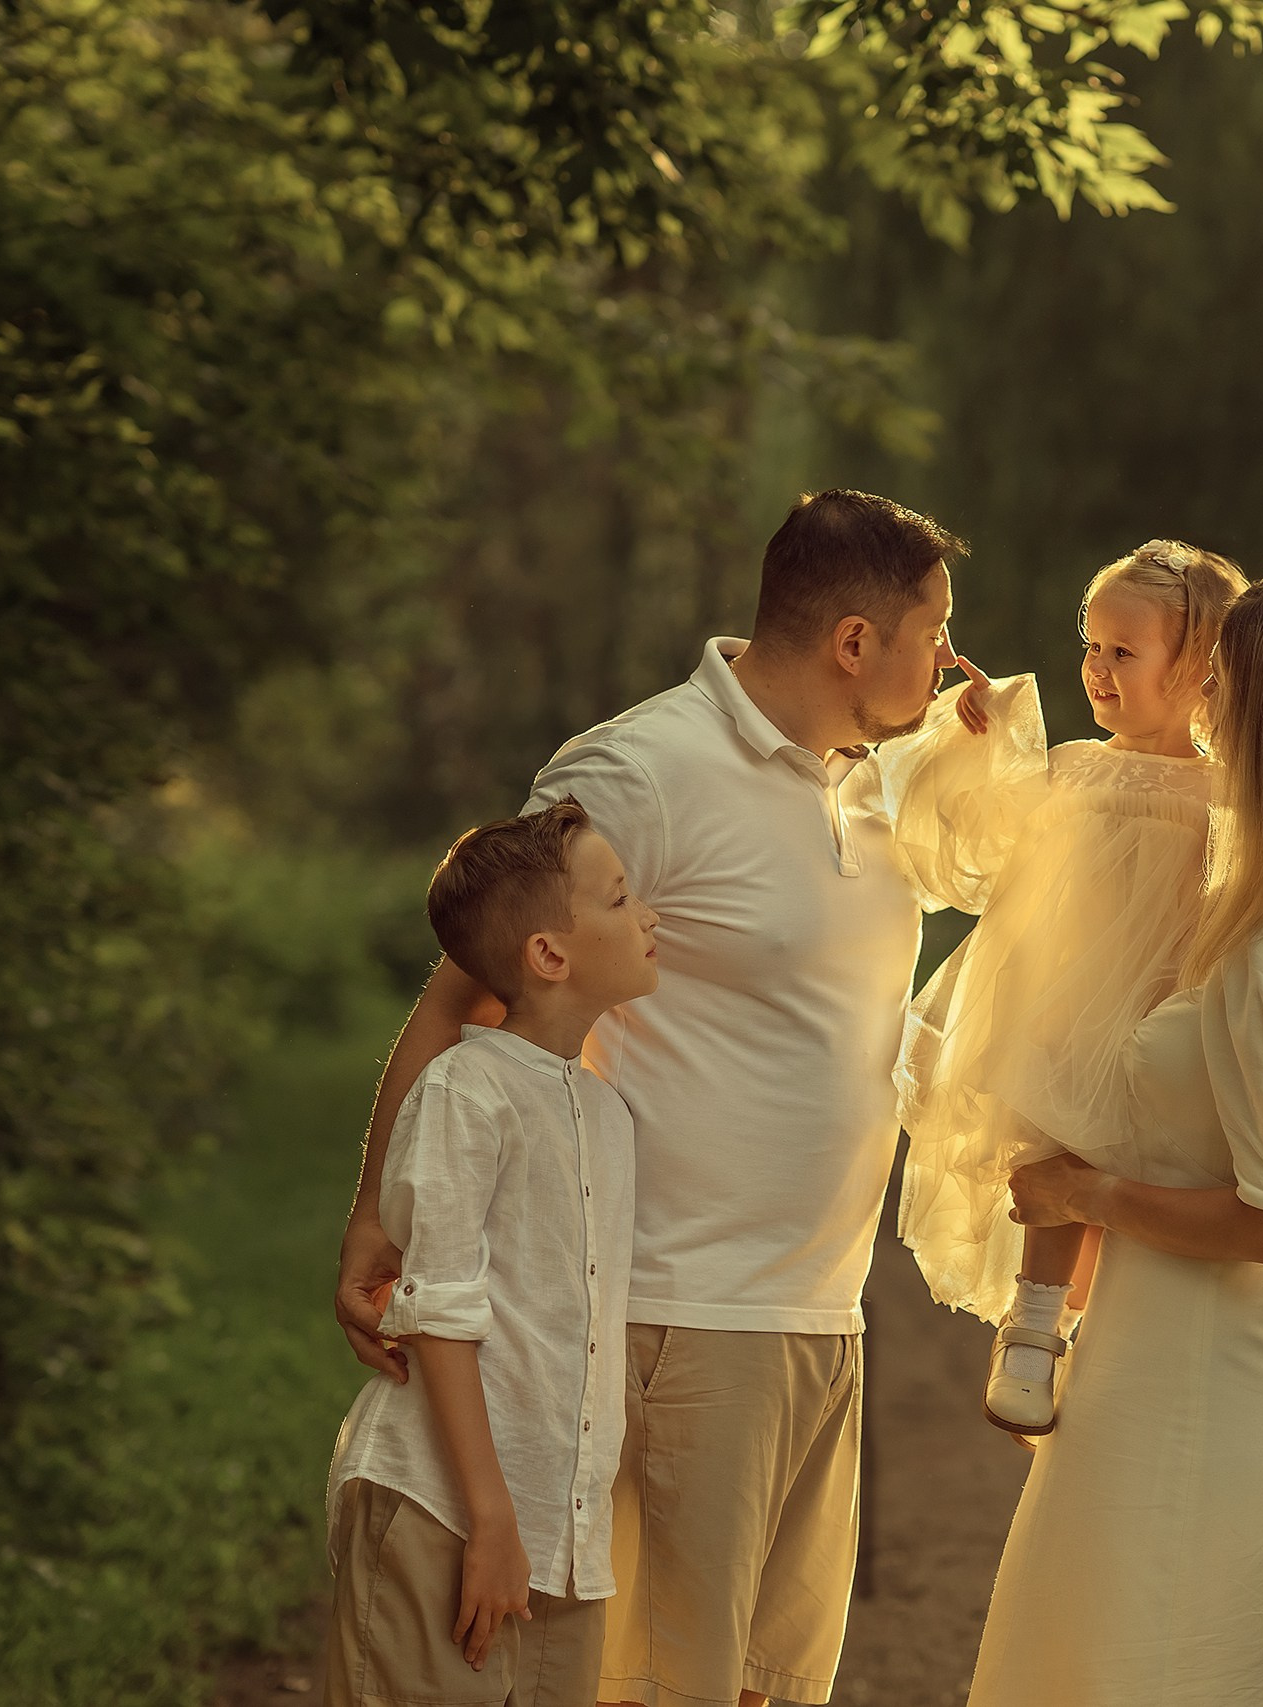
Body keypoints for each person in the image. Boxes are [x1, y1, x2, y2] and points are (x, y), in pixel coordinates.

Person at [332, 490, 971, 1707]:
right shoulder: (639, 767)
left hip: (823, 1312)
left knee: (767, 1684)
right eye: (934, 630)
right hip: (679, 1312)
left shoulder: (881, 783)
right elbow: (463, 996)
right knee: (663, 1682)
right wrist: (380, 1213)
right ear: (853, 641)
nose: (949, 659)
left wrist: (986, 743)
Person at [965, 571, 1263, 1707]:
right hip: (1153, 1351)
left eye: (1223, 682)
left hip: (1203, 1378)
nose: (1200, 700)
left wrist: (1082, 1194)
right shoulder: (1246, 899)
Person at [872, 539, 1247, 1434]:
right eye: (1091, 644)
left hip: (1172, 1008)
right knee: (1054, 1126)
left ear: (1197, 668)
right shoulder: (1076, 765)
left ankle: (1085, 1322)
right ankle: (1036, 1324)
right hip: (1068, 1003)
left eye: (1125, 651)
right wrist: (986, 745)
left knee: (1131, 1160)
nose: (1097, 668)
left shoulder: (1230, 792)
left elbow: (1243, 904)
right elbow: (997, 848)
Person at [323, 799, 661, 1707]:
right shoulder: (465, 1093)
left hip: (559, 1534)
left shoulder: (602, 1112)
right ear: (550, 954)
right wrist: (491, 1519)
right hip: (447, 1506)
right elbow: (440, 1310)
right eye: (622, 899)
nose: (650, 917)